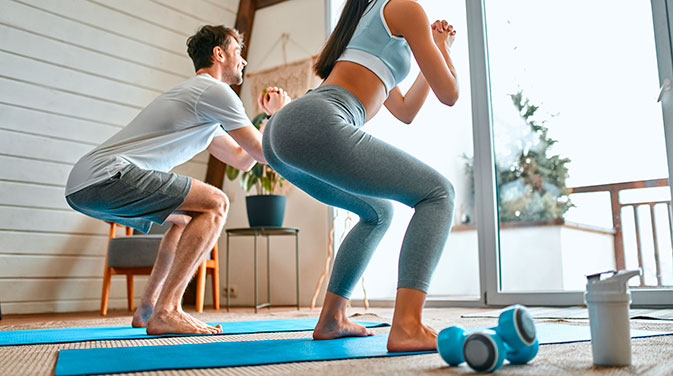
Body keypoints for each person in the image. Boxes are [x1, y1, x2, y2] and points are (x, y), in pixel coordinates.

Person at [65, 25, 290, 335]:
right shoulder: (214, 91)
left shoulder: (201, 104)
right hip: (107, 176)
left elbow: (242, 158)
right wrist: (279, 113)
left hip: (83, 186)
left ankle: (148, 309)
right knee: (217, 203)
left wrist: (266, 118)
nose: (243, 61)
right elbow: (263, 153)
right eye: (238, 52)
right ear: (219, 54)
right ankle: (168, 311)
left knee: (184, 219)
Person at [262, 0, 458, 352]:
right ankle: (408, 326)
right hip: (318, 119)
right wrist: (443, 50)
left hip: (282, 133)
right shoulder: (404, 8)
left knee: (378, 212)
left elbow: (405, 111)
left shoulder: (369, 22)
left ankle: (332, 319)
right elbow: (450, 93)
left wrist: (436, 50)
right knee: (438, 194)